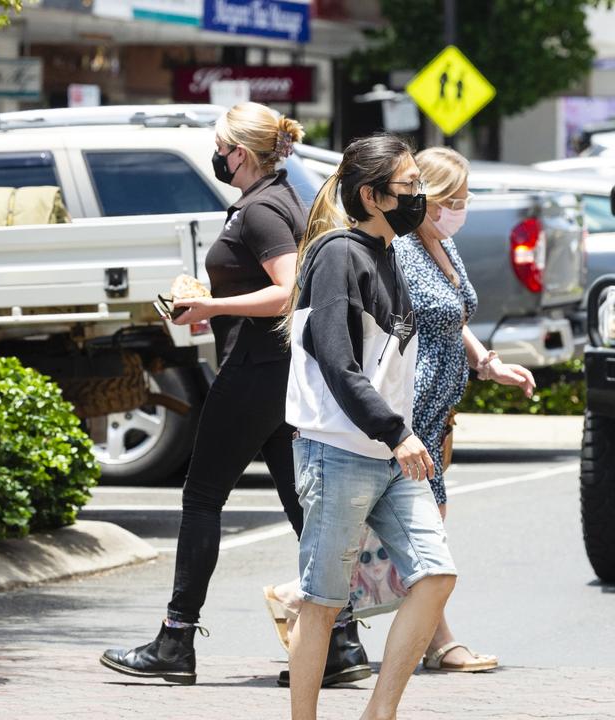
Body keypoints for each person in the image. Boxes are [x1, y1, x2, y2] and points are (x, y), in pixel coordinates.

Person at [99, 102, 367, 686]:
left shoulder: (264, 208)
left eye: (220, 145)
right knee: (302, 506)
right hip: (274, 370)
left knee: (201, 500)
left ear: (238, 153)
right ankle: (339, 639)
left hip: (257, 371)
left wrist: (214, 305)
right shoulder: (274, 199)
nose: (216, 154)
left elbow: (293, 291)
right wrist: (212, 312)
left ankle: (175, 641)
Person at [284, 133, 458, 720]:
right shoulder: (337, 253)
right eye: (410, 187)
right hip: (339, 450)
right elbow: (338, 361)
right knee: (323, 603)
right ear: (372, 195)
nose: (420, 197)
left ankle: (377, 715)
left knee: (435, 574)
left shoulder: (390, 255)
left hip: (387, 452)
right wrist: (398, 432)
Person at [395, 146, 535, 672]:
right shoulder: (403, 251)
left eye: (464, 198)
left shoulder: (442, 247)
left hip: (433, 417)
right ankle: (301, 604)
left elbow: (454, 318)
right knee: (415, 534)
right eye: (451, 199)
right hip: (407, 416)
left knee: (420, 533)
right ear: (425, 201)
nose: (459, 208)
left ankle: (435, 640)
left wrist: (487, 363)